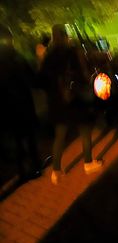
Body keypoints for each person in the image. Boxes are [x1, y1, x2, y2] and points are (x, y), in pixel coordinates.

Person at [40, 24, 103, 185]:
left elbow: (41, 80)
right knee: (84, 130)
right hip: (75, 98)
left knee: (59, 136)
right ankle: (88, 163)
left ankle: (56, 172)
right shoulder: (72, 52)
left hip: (58, 102)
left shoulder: (49, 56)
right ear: (65, 35)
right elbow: (83, 74)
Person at [0, 24, 42, 181]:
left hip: (8, 107)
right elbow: (33, 80)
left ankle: (23, 171)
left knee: (18, 140)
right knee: (29, 138)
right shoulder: (19, 58)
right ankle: (35, 167)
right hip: (23, 104)